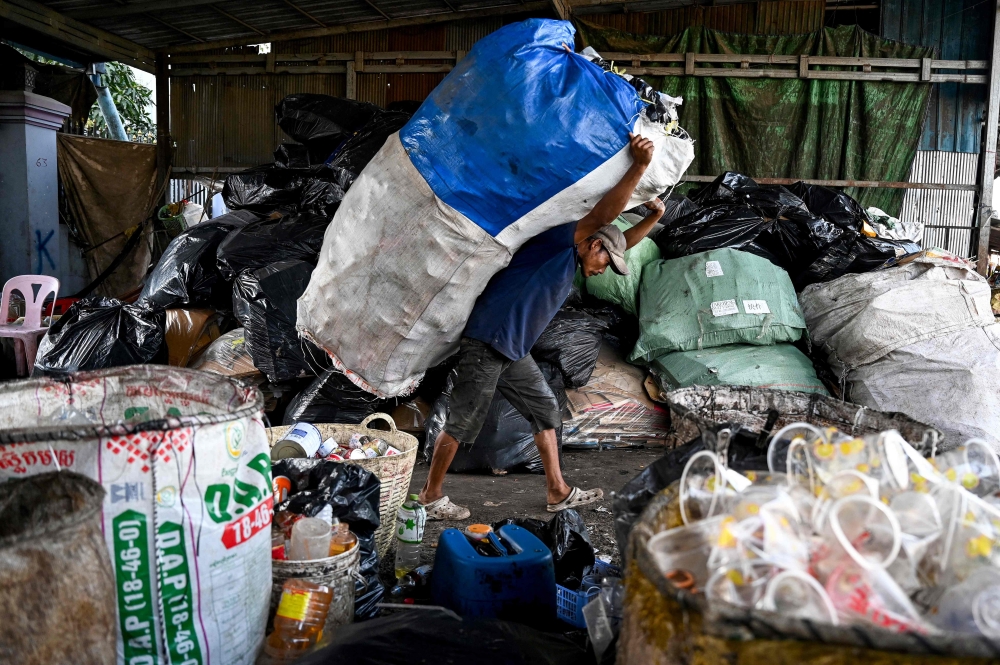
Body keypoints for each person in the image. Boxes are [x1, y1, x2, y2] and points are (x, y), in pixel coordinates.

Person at [419, 133, 666, 520]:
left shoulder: (577, 257)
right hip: (488, 342)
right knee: (463, 422)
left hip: (512, 349)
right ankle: (431, 497)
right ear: (592, 245)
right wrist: (638, 167)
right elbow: (603, 219)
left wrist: (654, 217)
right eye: (606, 262)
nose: (604, 271)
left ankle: (557, 491)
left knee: (545, 409)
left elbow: (619, 240)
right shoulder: (557, 243)